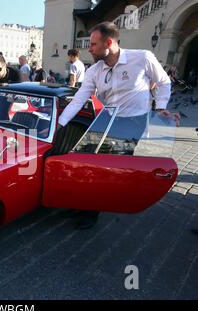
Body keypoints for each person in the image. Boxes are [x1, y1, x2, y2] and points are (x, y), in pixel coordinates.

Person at [57, 22, 180, 230]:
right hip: (107, 118)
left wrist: (160, 108)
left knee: (103, 169)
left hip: (132, 123)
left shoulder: (142, 58)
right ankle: (80, 203)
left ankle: (90, 213)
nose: (89, 48)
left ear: (109, 43)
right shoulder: (94, 70)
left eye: (93, 44)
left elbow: (163, 82)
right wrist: (60, 124)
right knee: (84, 161)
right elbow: (78, 100)